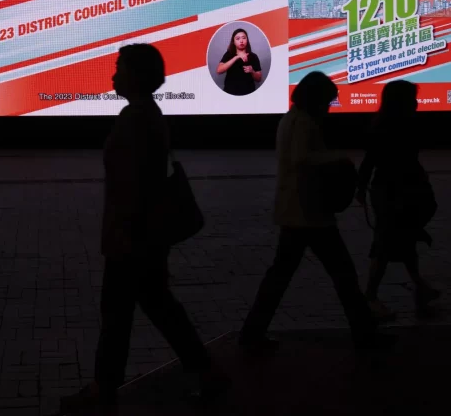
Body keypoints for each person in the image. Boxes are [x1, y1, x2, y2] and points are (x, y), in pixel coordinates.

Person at [61, 44, 228, 413]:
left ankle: (104, 389)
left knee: (120, 313)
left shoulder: (135, 119)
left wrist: (124, 234)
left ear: (136, 75)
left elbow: (133, 184)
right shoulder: (148, 114)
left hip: (132, 238)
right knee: (156, 306)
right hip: (144, 235)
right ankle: (204, 372)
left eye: (119, 67)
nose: (113, 75)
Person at [240, 71, 391, 351]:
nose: (328, 109)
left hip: (297, 212)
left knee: (281, 275)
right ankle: (364, 333)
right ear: (317, 99)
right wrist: (340, 158)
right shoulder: (303, 123)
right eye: (327, 102)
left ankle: (252, 333)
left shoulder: (292, 118)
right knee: (342, 274)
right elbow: (302, 158)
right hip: (309, 213)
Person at [355, 80, 440, 320]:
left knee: (402, 240)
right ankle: (370, 296)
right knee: (386, 244)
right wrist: (361, 188)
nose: (416, 102)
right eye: (412, 98)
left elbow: (369, 162)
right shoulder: (395, 127)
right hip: (394, 193)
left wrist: (361, 188)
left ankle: (418, 286)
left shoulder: (386, 125)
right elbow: (372, 161)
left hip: (395, 190)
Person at [216, 28, 263, 96]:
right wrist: (236, 57)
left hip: (249, 93)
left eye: (244, 38)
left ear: (247, 40)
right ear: (233, 42)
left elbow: (259, 79)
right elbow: (219, 70)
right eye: (237, 39)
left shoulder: (253, 56)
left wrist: (252, 71)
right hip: (230, 93)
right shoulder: (229, 54)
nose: (241, 41)